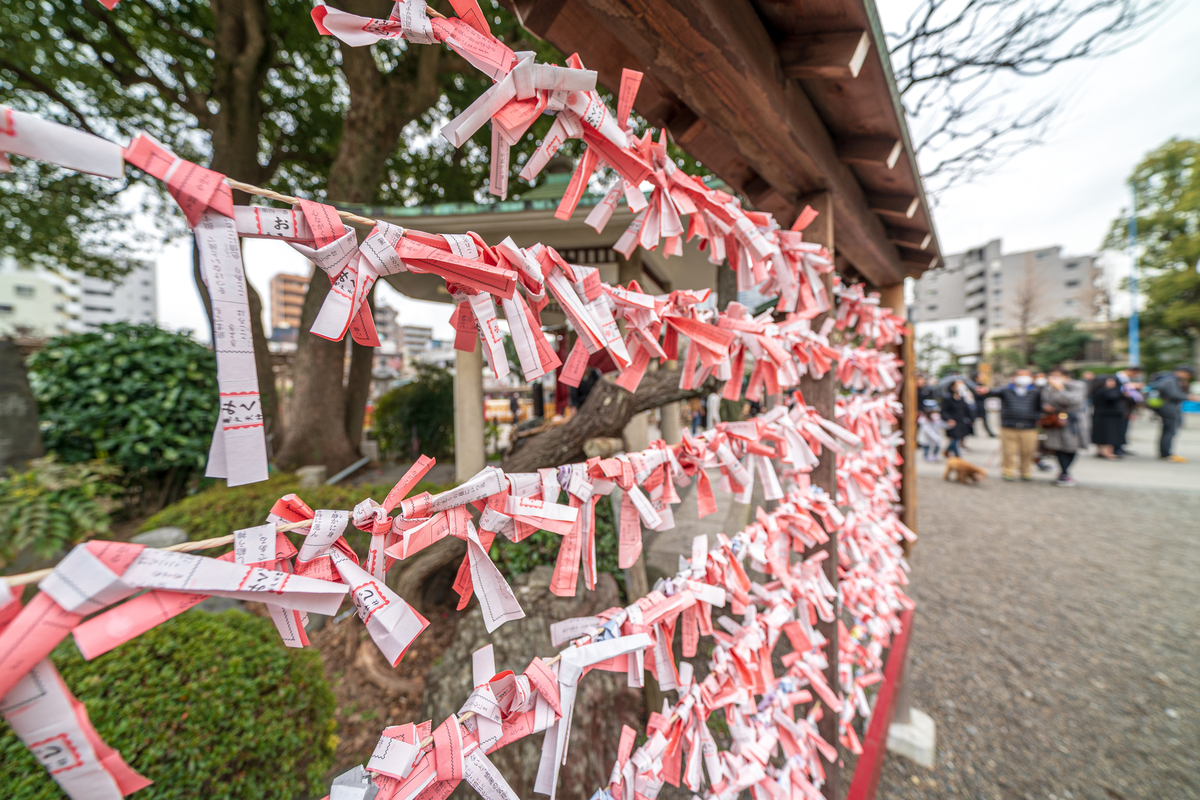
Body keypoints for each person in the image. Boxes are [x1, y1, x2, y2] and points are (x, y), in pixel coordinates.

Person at [976, 367, 1042, 481]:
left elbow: (1040, 407)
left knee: (1028, 451)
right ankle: (1008, 471)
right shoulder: (1006, 390)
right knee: (1008, 451)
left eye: (1026, 375)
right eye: (1020, 375)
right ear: (1014, 377)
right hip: (1008, 425)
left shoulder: (1036, 391)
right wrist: (985, 391)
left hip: (1029, 426)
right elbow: (991, 392)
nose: (1023, 378)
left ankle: (1025, 472)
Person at [1040, 366, 1087, 486]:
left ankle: (1065, 472)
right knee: (1058, 447)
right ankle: (1064, 473)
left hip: (1073, 422)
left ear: (1066, 376)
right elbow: (1045, 401)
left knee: (1072, 447)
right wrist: (1046, 407)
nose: (1053, 379)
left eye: (1056, 376)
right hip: (1056, 421)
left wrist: (1060, 389)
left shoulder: (1077, 385)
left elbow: (1074, 400)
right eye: (1051, 376)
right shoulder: (1048, 388)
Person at [1149, 365, 1198, 462]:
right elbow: (1173, 394)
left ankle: (1165, 453)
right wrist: (1189, 397)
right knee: (1169, 430)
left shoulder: (1170, 379)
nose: (1188, 377)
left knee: (1168, 430)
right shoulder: (1170, 380)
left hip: (1167, 407)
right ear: (1182, 372)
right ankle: (1165, 453)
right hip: (1168, 408)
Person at [1090, 376, 1125, 459]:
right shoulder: (1103, 391)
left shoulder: (1097, 390)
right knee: (1109, 435)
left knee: (1104, 434)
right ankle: (1106, 452)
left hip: (1105, 415)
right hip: (1107, 416)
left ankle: (1102, 451)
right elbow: (1112, 397)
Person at [1113, 365, 1144, 455]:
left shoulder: (1125, 379)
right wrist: (1131, 387)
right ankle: (1116, 447)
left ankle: (1120, 446)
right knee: (1119, 427)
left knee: (1124, 427)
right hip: (1120, 407)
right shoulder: (1117, 378)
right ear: (1131, 371)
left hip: (1127, 407)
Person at [940, 381, 973, 458]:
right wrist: (948, 419)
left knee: (958, 438)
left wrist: (971, 419)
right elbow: (943, 411)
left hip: (961, 421)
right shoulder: (948, 398)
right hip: (952, 422)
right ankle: (957, 455)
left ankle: (947, 451)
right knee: (955, 438)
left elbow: (967, 409)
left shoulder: (962, 398)